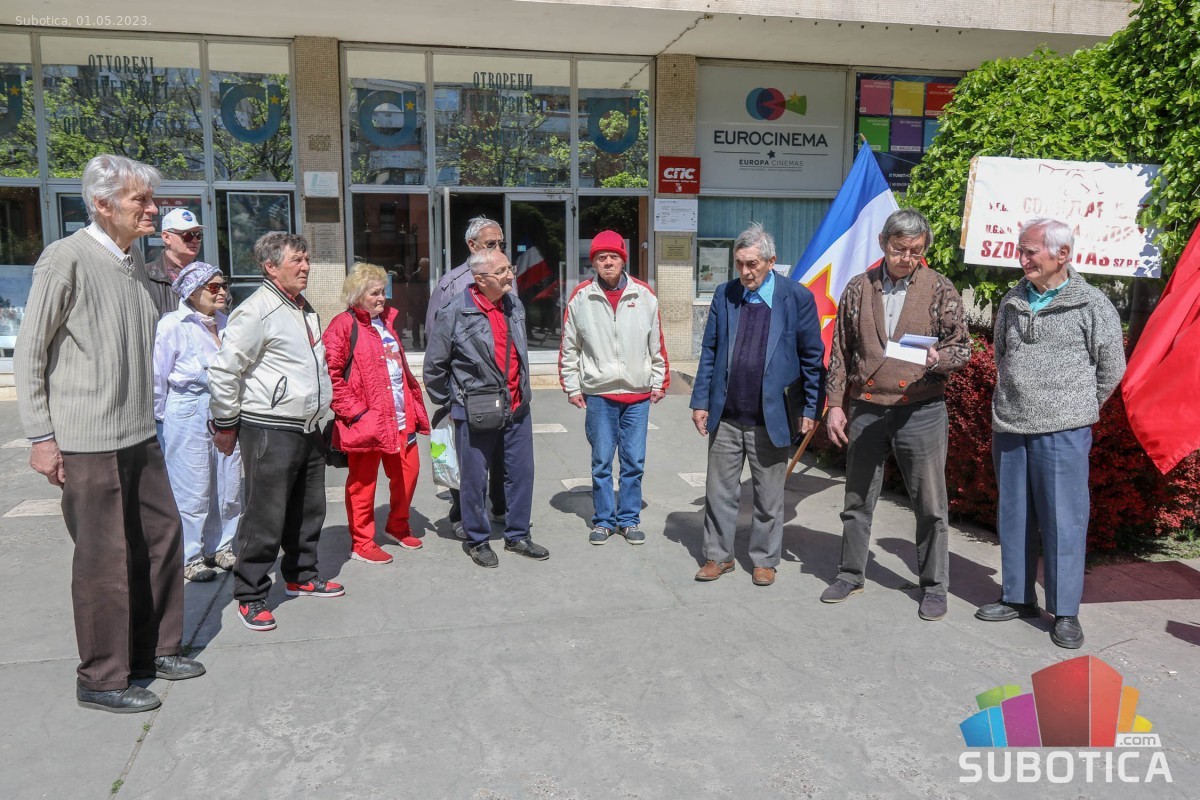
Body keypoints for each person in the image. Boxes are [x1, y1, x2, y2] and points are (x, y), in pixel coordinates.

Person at [14, 153, 204, 714]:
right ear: (101, 204)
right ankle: (101, 677)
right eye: (140, 200)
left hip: (139, 432)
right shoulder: (65, 258)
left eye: (151, 199)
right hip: (87, 439)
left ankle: (153, 650)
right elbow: (30, 351)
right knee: (104, 560)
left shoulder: (131, 263)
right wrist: (41, 437)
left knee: (161, 537)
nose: (153, 209)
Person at [976, 217, 1125, 649]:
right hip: (1011, 424)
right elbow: (1003, 356)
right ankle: (1018, 597)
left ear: (1062, 254)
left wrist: (1077, 406)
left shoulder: (1092, 303)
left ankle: (1065, 612)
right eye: (1020, 250)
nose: (1022, 259)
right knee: (1014, 515)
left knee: (1063, 521)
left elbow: (1112, 367)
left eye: (1030, 251)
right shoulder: (1012, 299)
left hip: (1064, 430)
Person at [820, 208, 970, 621]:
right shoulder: (858, 287)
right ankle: (850, 573)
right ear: (883, 243)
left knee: (930, 504)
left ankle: (934, 586)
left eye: (915, 251)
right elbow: (840, 352)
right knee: (857, 498)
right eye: (899, 248)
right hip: (867, 407)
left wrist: (940, 359)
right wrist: (835, 404)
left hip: (920, 409)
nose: (907, 257)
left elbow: (962, 347)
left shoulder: (940, 288)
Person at [208, 232, 343, 632]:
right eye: (296, 260)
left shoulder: (301, 306)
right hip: (270, 426)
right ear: (270, 267)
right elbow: (225, 370)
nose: (306, 267)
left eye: (307, 259)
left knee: (308, 509)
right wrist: (226, 422)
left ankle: (302, 573)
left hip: (307, 425)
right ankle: (250, 594)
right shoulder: (257, 310)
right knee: (264, 516)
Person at [689, 223, 824, 587]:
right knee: (719, 492)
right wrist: (700, 401)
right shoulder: (725, 294)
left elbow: (812, 357)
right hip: (727, 416)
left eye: (753, 264)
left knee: (768, 495)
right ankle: (718, 556)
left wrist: (811, 408)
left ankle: (765, 559)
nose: (746, 272)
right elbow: (710, 351)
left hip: (771, 416)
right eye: (740, 264)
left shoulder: (796, 297)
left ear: (771, 261)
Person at [424, 247, 550, 569]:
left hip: (517, 407)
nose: (510, 275)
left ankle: (518, 535)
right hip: (475, 409)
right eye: (503, 271)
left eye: (509, 268)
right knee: (474, 479)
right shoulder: (455, 311)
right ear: (480, 279)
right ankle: (477, 539)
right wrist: (456, 401)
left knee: (521, 474)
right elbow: (434, 367)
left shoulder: (514, 305)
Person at [559, 229, 670, 545]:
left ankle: (629, 519)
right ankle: (604, 521)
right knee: (602, 462)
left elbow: (656, 342)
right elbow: (569, 346)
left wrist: (659, 380)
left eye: (613, 257)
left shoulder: (644, 294)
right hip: (600, 394)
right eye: (601, 257)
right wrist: (572, 387)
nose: (607, 262)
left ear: (623, 260)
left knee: (634, 462)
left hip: (637, 394)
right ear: (593, 262)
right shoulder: (581, 296)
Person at [323, 263, 431, 565]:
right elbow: (331, 375)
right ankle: (362, 542)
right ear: (357, 295)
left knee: (408, 473)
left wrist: (412, 403)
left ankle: (397, 525)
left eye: (383, 291)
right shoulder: (343, 325)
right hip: (367, 420)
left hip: (400, 416)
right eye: (374, 293)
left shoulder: (387, 322)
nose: (382, 298)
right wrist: (357, 413)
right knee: (363, 483)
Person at [152, 261, 243, 583]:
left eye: (224, 285)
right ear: (192, 291)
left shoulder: (227, 323)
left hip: (225, 408)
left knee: (229, 482)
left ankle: (221, 546)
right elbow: (158, 376)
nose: (222, 292)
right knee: (192, 485)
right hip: (187, 408)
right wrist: (161, 420)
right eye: (213, 287)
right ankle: (189, 556)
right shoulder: (173, 325)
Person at [425, 217, 508, 536]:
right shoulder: (451, 284)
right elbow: (436, 343)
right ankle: (462, 515)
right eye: (491, 243)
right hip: (467, 393)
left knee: (501, 456)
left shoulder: (504, 274)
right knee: (466, 460)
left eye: (501, 243)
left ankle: (499, 507)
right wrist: (448, 397)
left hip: (503, 389)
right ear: (472, 245)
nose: (498, 248)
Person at [145, 207, 203, 320]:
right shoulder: (145, 276)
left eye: (198, 235)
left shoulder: (210, 277)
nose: (195, 240)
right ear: (166, 237)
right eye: (187, 235)